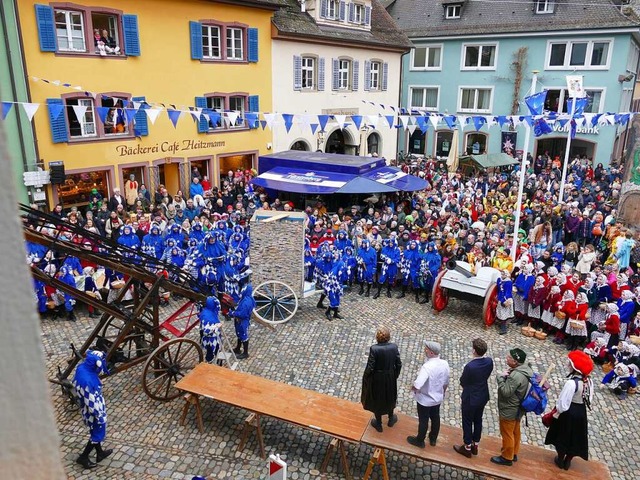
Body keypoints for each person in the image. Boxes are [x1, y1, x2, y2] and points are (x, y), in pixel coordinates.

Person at [545, 350, 594, 471]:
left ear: (574, 368)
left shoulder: (572, 383)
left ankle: (560, 459)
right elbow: (589, 399)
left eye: (569, 365)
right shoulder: (589, 382)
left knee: (563, 435)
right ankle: (568, 461)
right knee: (575, 437)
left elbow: (562, 403)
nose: (568, 366)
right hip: (581, 412)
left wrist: (558, 412)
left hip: (569, 412)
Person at [491, 348, 533, 466]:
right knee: (515, 431)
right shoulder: (525, 370)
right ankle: (514, 452)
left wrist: (500, 378)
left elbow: (505, 392)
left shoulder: (515, 376)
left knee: (507, 433)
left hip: (510, 409)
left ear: (515, 362)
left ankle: (507, 457)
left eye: (509, 357)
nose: (506, 358)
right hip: (518, 408)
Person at [454, 338, 494, 458]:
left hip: (471, 398)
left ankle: (467, 446)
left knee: (467, 421)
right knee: (478, 419)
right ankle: (475, 444)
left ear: (474, 350)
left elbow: (463, 381)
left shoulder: (470, 366)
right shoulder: (489, 361)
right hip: (482, 395)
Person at [73, 350, 113, 469]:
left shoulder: (81, 368)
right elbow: (92, 402)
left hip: (87, 407)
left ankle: (99, 453)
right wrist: (100, 416)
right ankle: (83, 457)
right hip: (92, 411)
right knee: (97, 433)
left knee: (95, 432)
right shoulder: (88, 382)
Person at [407, 341, 450, 448]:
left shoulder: (427, 367)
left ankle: (420, 440)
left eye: (426, 349)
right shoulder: (445, 364)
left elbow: (418, 384)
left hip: (425, 400)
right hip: (437, 398)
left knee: (423, 420)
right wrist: (442, 392)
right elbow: (446, 381)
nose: (425, 350)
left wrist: (412, 389)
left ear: (431, 353)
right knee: (435, 417)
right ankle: (433, 438)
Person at [361, 326, 402, 432]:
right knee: (390, 395)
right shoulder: (394, 347)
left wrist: (366, 377)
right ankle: (391, 418)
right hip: (390, 376)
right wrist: (395, 375)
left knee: (377, 398)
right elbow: (398, 364)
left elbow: (370, 367)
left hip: (377, 378)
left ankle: (378, 423)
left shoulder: (374, 349)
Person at [229, 282, 256, 359]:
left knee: (243, 335)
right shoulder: (246, 299)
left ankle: (245, 353)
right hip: (240, 320)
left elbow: (242, 314)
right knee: (239, 334)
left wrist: (233, 313)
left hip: (242, 321)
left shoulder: (246, 302)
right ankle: (238, 348)